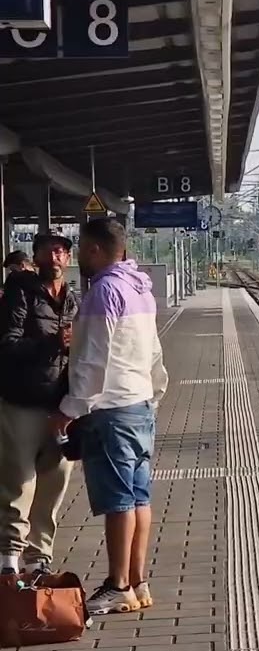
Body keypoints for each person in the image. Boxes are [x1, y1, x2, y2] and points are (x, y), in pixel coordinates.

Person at [48, 218, 168, 615]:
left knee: (118, 502)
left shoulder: (103, 292)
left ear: (96, 249)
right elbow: (153, 351)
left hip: (111, 410)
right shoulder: (141, 290)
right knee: (138, 497)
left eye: (81, 247)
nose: (78, 255)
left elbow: (92, 360)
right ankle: (138, 582)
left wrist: (69, 410)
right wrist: (154, 394)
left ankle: (117, 585)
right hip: (138, 406)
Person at [0, 235, 77, 576]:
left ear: (69, 258)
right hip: (23, 400)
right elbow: (7, 344)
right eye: (48, 251)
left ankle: (39, 556)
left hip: (59, 405)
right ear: (36, 257)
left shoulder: (72, 301)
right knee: (19, 481)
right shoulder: (20, 292)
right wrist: (51, 343)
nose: (55, 257)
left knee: (54, 481)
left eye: (61, 251)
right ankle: (8, 556)